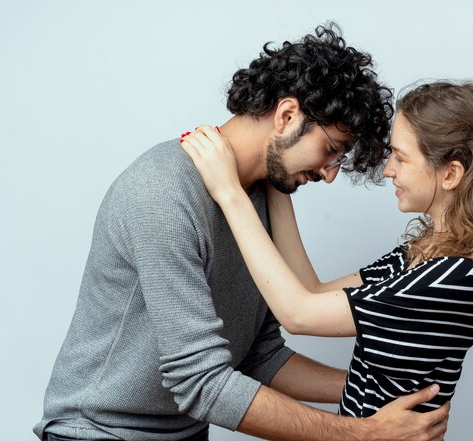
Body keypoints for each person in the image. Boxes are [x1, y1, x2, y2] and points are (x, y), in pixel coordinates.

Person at [34, 24, 449, 441]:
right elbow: (201, 384)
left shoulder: (257, 200)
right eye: (331, 150)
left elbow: (257, 356)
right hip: (96, 433)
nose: (328, 175)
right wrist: (364, 434)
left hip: (181, 434)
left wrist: (381, 393)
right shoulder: (161, 194)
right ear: (287, 116)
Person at [180, 80, 473, 418]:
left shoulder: (454, 278)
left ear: (451, 174)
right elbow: (310, 289)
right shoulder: (421, 256)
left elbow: (298, 313)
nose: (388, 170)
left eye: (400, 157)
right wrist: (277, 169)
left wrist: (229, 192)